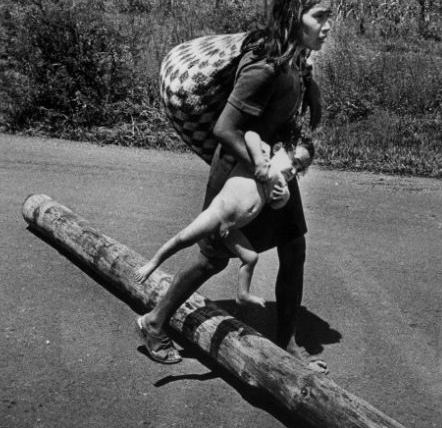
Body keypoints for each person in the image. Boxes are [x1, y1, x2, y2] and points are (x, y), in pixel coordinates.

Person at [135, 0, 332, 372]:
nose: (328, 26)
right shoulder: (263, 68)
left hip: (272, 168)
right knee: (213, 258)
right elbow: (225, 127)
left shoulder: (296, 63)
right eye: (320, 17)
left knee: (294, 249)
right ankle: (154, 321)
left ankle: (287, 341)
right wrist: (261, 168)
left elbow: (292, 119)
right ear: (296, 18)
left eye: (330, 18)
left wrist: (292, 156)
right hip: (240, 173)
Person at [133, 132, 315, 309]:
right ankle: (153, 263)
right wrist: (259, 162)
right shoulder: (265, 155)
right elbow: (251, 136)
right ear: (279, 149)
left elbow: (277, 205)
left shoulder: (282, 184)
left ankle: (242, 294)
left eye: (299, 170)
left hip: (233, 229)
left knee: (251, 258)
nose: (293, 170)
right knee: (182, 239)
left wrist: (282, 197)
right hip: (218, 215)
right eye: (294, 162)